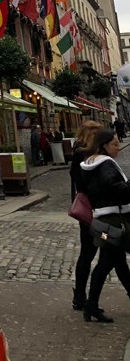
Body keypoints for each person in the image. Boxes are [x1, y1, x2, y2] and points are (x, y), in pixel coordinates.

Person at [80, 128, 130, 323]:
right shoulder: (106, 165)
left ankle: (90, 305)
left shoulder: (92, 163)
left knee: (111, 261)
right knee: (108, 262)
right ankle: (90, 305)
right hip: (113, 221)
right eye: (115, 144)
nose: (118, 148)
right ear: (104, 146)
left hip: (105, 220)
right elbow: (116, 189)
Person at [70, 120, 103, 311]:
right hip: (93, 214)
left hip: (91, 215)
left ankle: (80, 296)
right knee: (97, 252)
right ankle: (82, 297)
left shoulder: (82, 154)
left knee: (92, 254)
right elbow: (82, 184)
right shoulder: (85, 156)